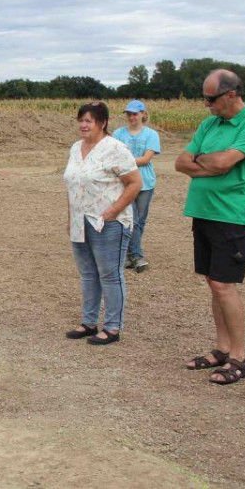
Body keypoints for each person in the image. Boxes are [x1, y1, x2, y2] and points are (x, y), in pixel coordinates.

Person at [176, 69, 245, 385]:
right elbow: (181, 162)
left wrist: (205, 163)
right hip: (203, 213)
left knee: (224, 286)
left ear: (231, 94)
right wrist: (210, 165)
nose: (206, 105)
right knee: (213, 282)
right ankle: (221, 348)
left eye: (210, 98)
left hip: (231, 217)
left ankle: (239, 358)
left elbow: (223, 163)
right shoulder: (209, 123)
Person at [63, 102, 141, 345]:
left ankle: (112, 327)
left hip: (110, 222)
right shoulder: (76, 148)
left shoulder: (116, 149)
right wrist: (70, 217)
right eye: (81, 120)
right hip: (81, 221)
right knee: (88, 274)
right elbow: (73, 184)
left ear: (103, 123)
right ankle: (88, 322)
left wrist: (113, 211)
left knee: (109, 274)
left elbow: (134, 183)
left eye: (89, 120)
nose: (84, 125)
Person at [112, 100, 161, 273]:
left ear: (143, 114)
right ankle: (136, 255)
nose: (131, 117)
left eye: (134, 113)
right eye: (129, 114)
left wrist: (124, 162)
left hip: (145, 183)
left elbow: (146, 159)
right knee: (129, 219)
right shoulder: (118, 133)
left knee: (139, 221)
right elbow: (112, 155)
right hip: (123, 183)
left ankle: (130, 254)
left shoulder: (151, 135)